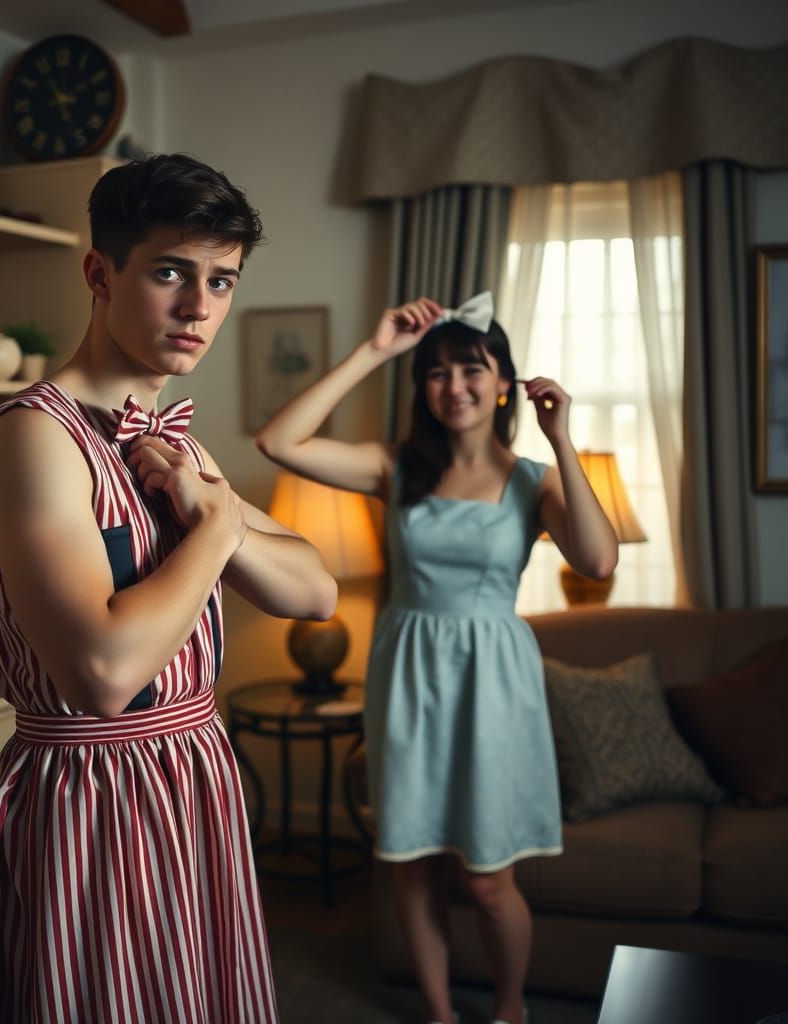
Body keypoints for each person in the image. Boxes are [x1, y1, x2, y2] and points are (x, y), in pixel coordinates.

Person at [0, 153, 338, 1023]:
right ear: (99, 272)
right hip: (88, 798)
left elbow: (314, 590)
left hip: (192, 780)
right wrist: (223, 524)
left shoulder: (174, 447)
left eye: (223, 282)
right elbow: (105, 674)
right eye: (170, 272)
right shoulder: (33, 442)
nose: (201, 308)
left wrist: (211, 504)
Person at [255, 293, 618, 1024]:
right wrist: (376, 350)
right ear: (421, 387)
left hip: (495, 684)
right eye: (437, 373)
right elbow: (278, 441)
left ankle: (511, 1010)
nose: (454, 386)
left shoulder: (531, 480)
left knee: (487, 882)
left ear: (504, 382)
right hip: (408, 675)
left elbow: (599, 559)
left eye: (472, 369)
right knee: (412, 864)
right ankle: (440, 1013)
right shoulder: (395, 468)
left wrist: (563, 439)